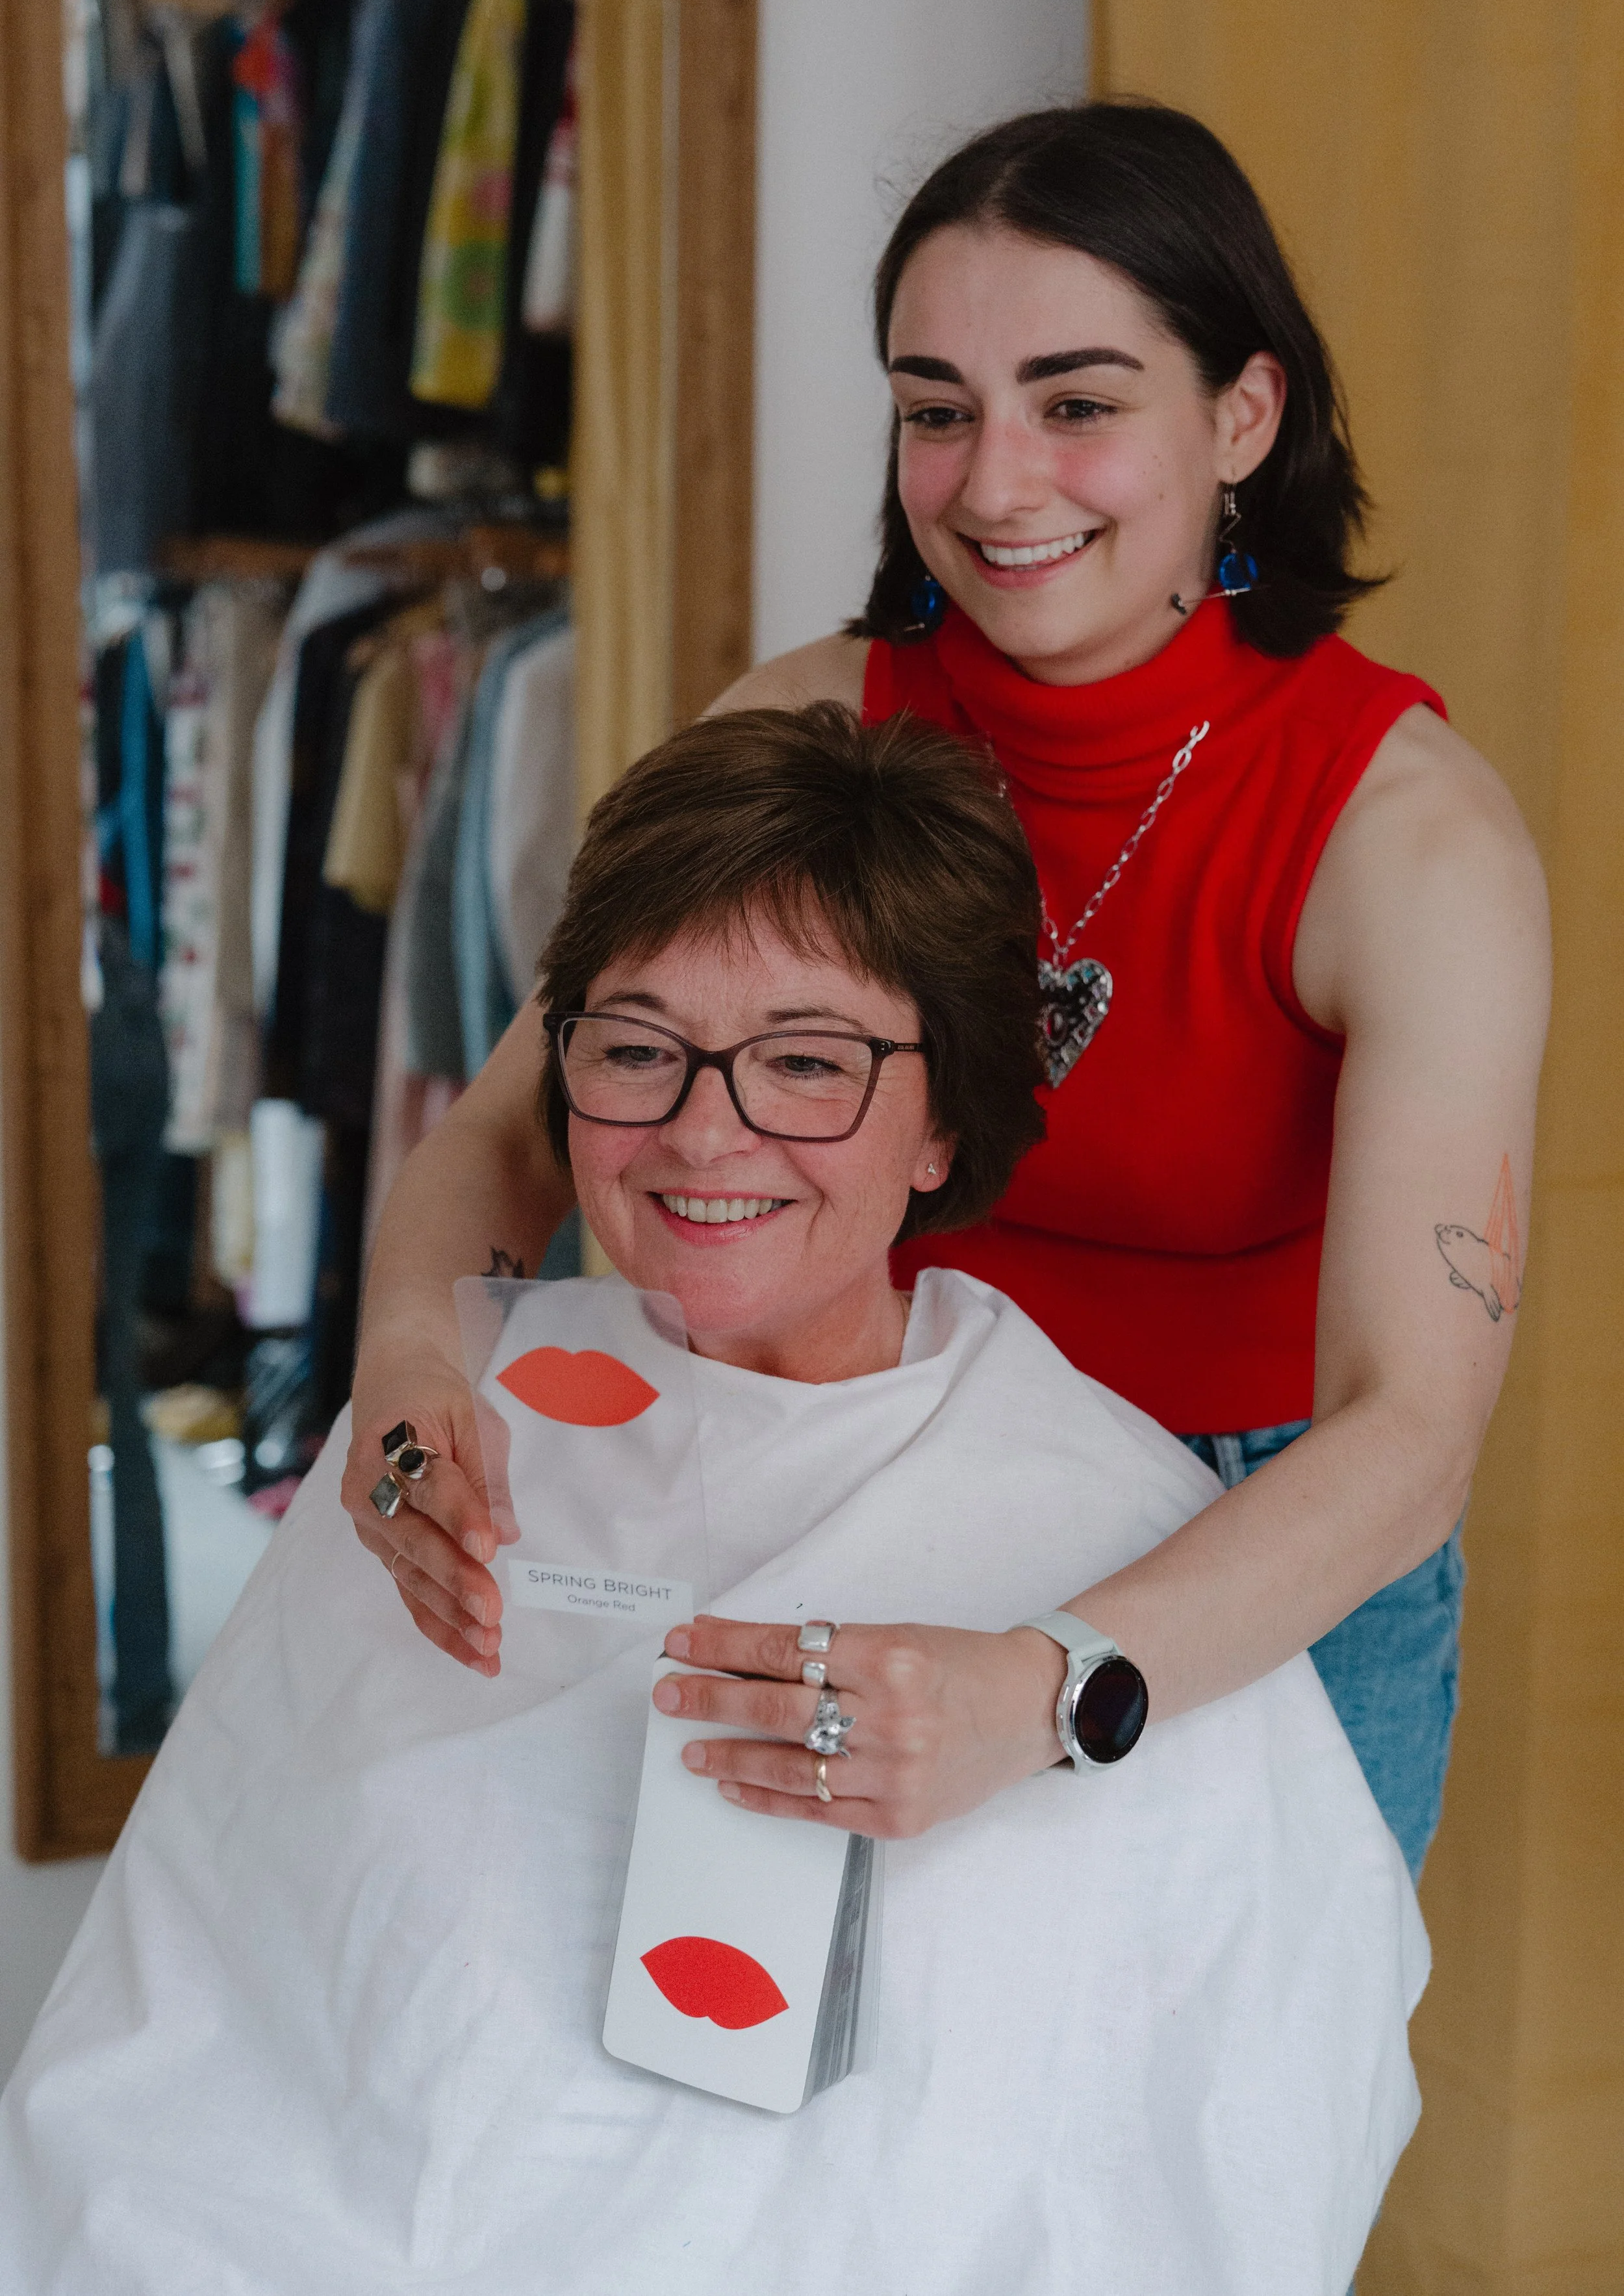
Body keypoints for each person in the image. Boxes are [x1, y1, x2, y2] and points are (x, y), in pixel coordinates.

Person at [1, 708, 1425, 2294]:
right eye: (636, 1049)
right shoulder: (455, 1445)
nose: (701, 1129)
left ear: (942, 1118)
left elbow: (1249, 2088)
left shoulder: (1113, 1536)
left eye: (806, 1062)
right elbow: (203, 2006)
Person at [340, 102, 1549, 1884]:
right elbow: (526, 1117)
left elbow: (1408, 1431)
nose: (991, 483)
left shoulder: (1406, 835)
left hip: (1246, 1558)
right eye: (935, 408)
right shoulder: (806, 720)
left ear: (1241, 413)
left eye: (1076, 403)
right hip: (852, 1471)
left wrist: (1044, 1682)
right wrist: (412, 1358)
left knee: (1202, 2142)